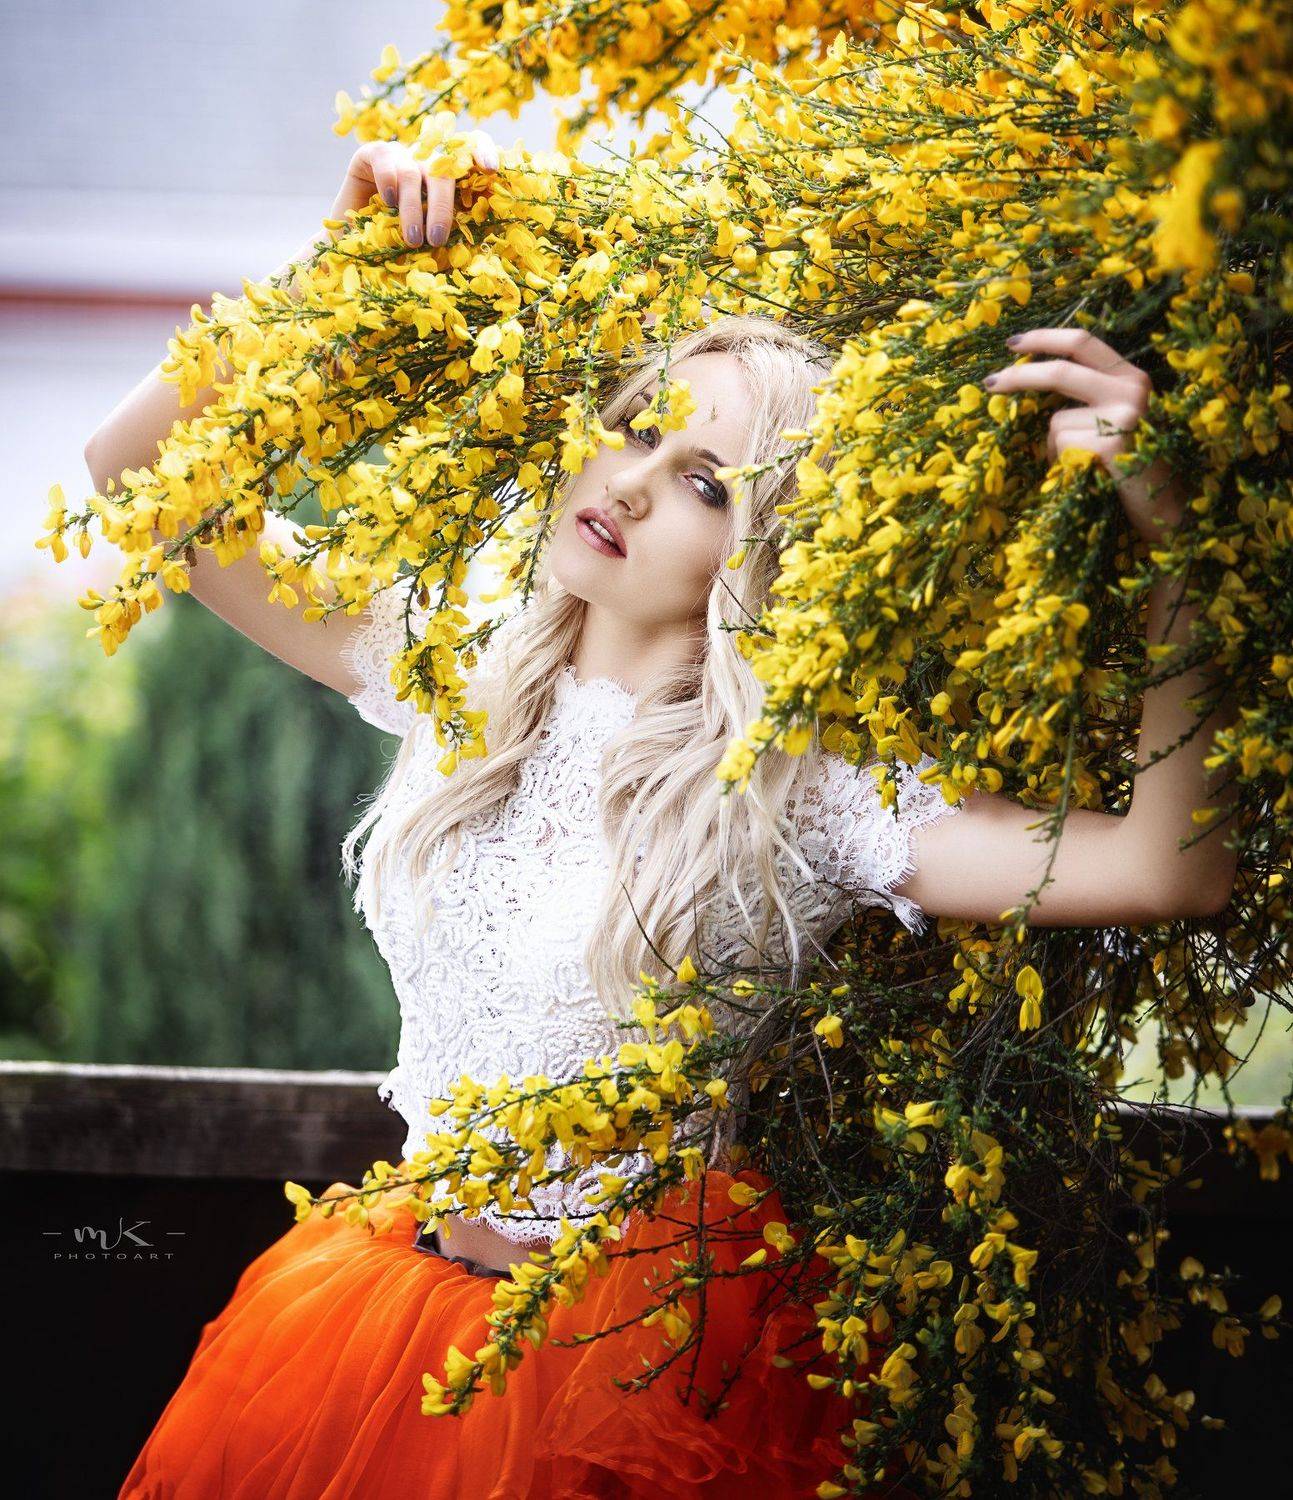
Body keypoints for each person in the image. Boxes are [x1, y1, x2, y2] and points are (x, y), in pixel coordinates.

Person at [92, 131, 1238, 1498]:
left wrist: (1170, 539)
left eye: (706, 482)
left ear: (768, 551)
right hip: (374, 1325)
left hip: (639, 1378)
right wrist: (328, 287)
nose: (632, 480)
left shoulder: (800, 792)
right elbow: (136, 479)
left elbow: (1168, 868)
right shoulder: (454, 668)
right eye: (637, 426)